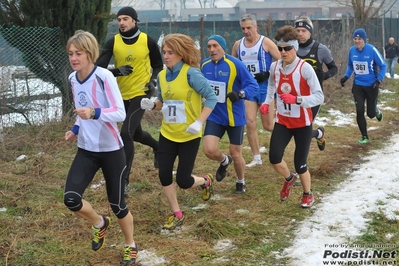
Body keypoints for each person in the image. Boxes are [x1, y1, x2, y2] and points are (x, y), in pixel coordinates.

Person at [64, 30, 138, 264]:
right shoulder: (72, 79)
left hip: (111, 151)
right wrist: (75, 129)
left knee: (117, 205)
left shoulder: (104, 76)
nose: (74, 58)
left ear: (90, 53)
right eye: (70, 54)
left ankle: (130, 245)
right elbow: (81, 109)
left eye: (79, 53)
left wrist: (95, 113)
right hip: (86, 149)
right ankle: (99, 223)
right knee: (71, 199)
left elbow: (120, 112)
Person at [140, 33, 217, 230]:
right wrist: (152, 104)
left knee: (183, 181)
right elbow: (164, 102)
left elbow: (211, 98)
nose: (166, 56)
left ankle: (205, 181)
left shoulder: (192, 74)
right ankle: (177, 214)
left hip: (189, 135)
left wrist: (199, 122)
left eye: (170, 52)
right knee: (164, 175)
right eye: (164, 52)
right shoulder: (162, 76)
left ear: (181, 54)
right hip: (167, 133)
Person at [96, 7, 163, 196]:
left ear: (134, 21)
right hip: (120, 94)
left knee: (125, 133)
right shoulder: (113, 42)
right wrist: (116, 71)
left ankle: (123, 181)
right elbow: (99, 68)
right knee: (135, 133)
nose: (121, 23)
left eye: (125, 19)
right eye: (119, 19)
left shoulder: (147, 40)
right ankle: (157, 147)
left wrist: (154, 81)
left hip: (141, 93)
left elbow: (158, 65)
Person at [259, 25, 324, 208]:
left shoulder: (304, 69)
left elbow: (319, 96)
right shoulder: (275, 67)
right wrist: (266, 102)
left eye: (287, 48)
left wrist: (297, 100)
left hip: (302, 122)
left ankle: (307, 194)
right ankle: (289, 179)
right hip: (283, 121)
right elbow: (271, 86)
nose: (283, 52)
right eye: (280, 48)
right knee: (274, 158)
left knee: (300, 163)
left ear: (295, 48)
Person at [201, 35, 259, 194]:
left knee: (236, 152)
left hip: (235, 116)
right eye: (209, 46)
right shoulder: (204, 65)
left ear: (223, 47)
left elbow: (253, 86)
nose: (212, 50)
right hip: (214, 115)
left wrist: (240, 94)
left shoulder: (235, 64)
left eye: (215, 46)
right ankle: (224, 161)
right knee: (209, 150)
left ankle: (241, 181)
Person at [231, 14, 280, 168]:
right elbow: (233, 65)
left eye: (249, 28)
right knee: (250, 122)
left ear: (256, 27)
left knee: (268, 125)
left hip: (265, 87)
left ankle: (288, 135)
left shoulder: (265, 42)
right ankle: (257, 157)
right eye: (243, 28)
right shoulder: (238, 45)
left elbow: (282, 60)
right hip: (248, 88)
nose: (246, 31)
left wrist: (268, 73)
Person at [294, 16, 338, 151]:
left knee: (304, 129)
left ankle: (302, 163)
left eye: (303, 31)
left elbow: (334, 68)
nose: (300, 34)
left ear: (310, 32)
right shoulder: (290, 48)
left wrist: (324, 75)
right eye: (298, 30)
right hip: (294, 95)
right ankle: (318, 133)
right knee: (295, 129)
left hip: (313, 95)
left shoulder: (320, 49)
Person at [340, 28, 386, 144]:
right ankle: (364, 136)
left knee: (370, 114)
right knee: (359, 110)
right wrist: (346, 76)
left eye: (359, 39)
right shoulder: (352, 51)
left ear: (364, 40)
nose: (357, 41)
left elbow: (383, 65)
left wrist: (379, 80)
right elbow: (351, 65)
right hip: (358, 86)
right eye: (355, 39)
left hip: (371, 86)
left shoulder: (371, 50)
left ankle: (375, 111)